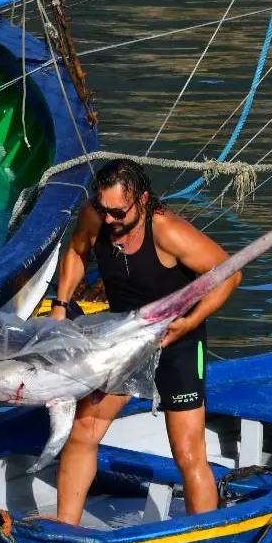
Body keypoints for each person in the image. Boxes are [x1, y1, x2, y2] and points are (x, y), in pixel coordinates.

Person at [49, 159, 241, 523]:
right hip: (125, 342)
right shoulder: (96, 215)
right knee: (83, 432)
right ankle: (65, 528)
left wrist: (191, 322)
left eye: (118, 212)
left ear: (142, 199)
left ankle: (203, 537)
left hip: (177, 344)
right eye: (103, 210)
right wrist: (60, 304)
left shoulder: (168, 231)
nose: (109, 220)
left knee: (188, 454)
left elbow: (229, 274)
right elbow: (77, 251)